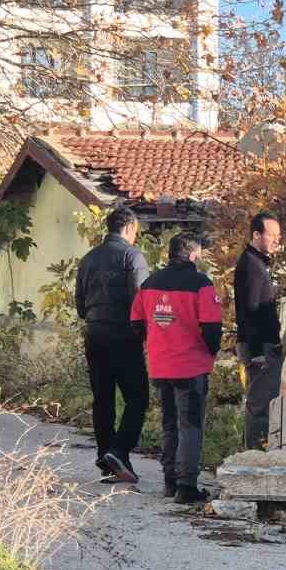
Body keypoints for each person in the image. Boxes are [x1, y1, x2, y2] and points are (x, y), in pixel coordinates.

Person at [130, 233, 222, 505]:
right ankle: (186, 486)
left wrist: (158, 341)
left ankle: (170, 481)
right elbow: (212, 328)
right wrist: (210, 351)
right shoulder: (201, 284)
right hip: (190, 366)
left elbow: (136, 323)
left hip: (160, 365)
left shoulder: (149, 284)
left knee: (169, 424)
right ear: (193, 254)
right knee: (190, 426)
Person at [74, 205, 148, 484]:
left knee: (102, 399)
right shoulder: (132, 256)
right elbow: (140, 300)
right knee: (138, 398)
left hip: (94, 333)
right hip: (124, 335)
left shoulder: (88, 259)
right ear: (129, 228)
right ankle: (118, 451)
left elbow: (80, 305)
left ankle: (107, 459)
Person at [232, 211, 282, 451]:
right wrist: (257, 353)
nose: (276, 240)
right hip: (259, 347)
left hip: (263, 345)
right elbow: (249, 311)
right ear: (256, 235)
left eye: (278, 236)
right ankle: (255, 455)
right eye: (271, 235)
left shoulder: (257, 263)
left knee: (264, 403)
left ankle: (257, 451)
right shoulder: (251, 265)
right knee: (260, 405)